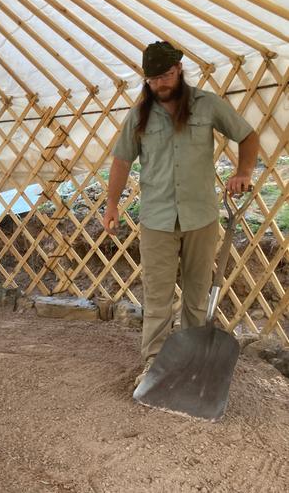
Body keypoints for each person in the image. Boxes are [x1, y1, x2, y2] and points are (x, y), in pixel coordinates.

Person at [103, 41, 260, 386]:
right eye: (154, 79)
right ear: (146, 80)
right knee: (157, 296)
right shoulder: (140, 113)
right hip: (157, 219)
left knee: (196, 293)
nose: (161, 84)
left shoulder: (206, 105)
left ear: (179, 70)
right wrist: (112, 204)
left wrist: (244, 172)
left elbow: (247, 135)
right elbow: (121, 160)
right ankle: (156, 366)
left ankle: (190, 361)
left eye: (167, 75)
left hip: (200, 217)